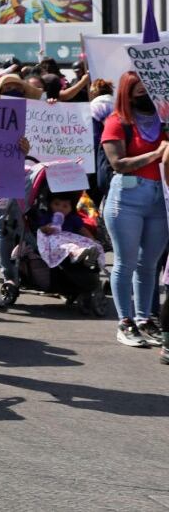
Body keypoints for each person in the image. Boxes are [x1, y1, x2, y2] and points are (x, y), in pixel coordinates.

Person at [98, 71, 168, 348]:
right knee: (126, 263)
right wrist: (155, 153)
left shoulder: (163, 121)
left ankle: (144, 319)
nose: (146, 97)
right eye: (139, 93)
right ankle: (124, 321)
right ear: (127, 94)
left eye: (149, 92)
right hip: (127, 197)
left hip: (160, 199)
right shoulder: (116, 122)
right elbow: (118, 163)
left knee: (148, 265)